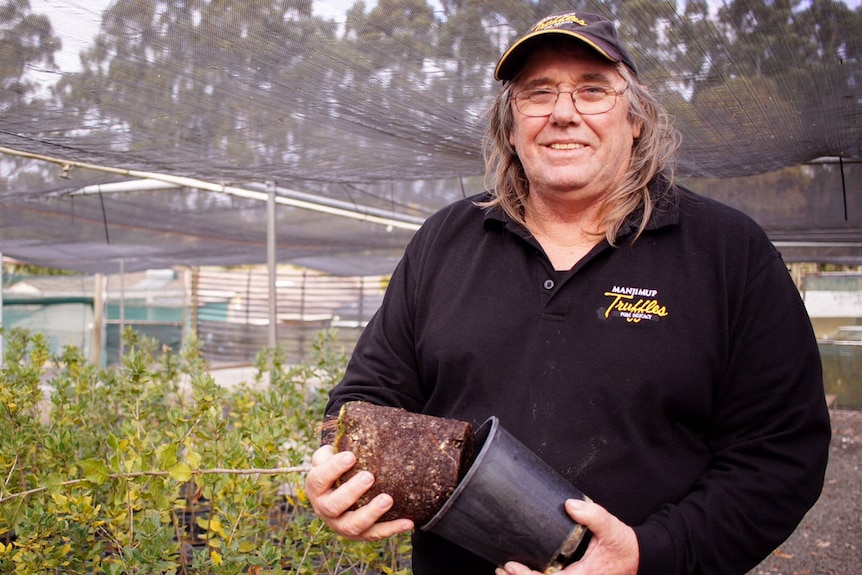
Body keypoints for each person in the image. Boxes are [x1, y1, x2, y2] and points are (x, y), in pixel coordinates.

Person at [305, 10, 831, 575]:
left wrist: (647, 554)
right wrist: (336, 470)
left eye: (592, 90)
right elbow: (365, 397)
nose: (563, 113)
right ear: (511, 124)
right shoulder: (445, 242)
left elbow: (780, 454)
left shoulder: (727, 253)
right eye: (538, 93)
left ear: (636, 117)